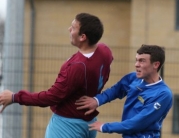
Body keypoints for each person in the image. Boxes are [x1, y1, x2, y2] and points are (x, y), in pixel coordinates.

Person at [0, 13, 113, 138]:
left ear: (82, 37)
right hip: (90, 123)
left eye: (73, 28)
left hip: (67, 126)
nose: (69, 29)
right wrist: (94, 97)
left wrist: (15, 97)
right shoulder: (105, 51)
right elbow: (105, 72)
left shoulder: (77, 67)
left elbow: (51, 97)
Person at [76, 44, 173, 138]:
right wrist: (96, 101)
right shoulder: (133, 78)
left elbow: (138, 123)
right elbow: (115, 90)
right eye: (136, 60)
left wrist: (104, 127)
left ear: (156, 64)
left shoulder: (163, 94)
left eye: (142, 61)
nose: (136, 65)